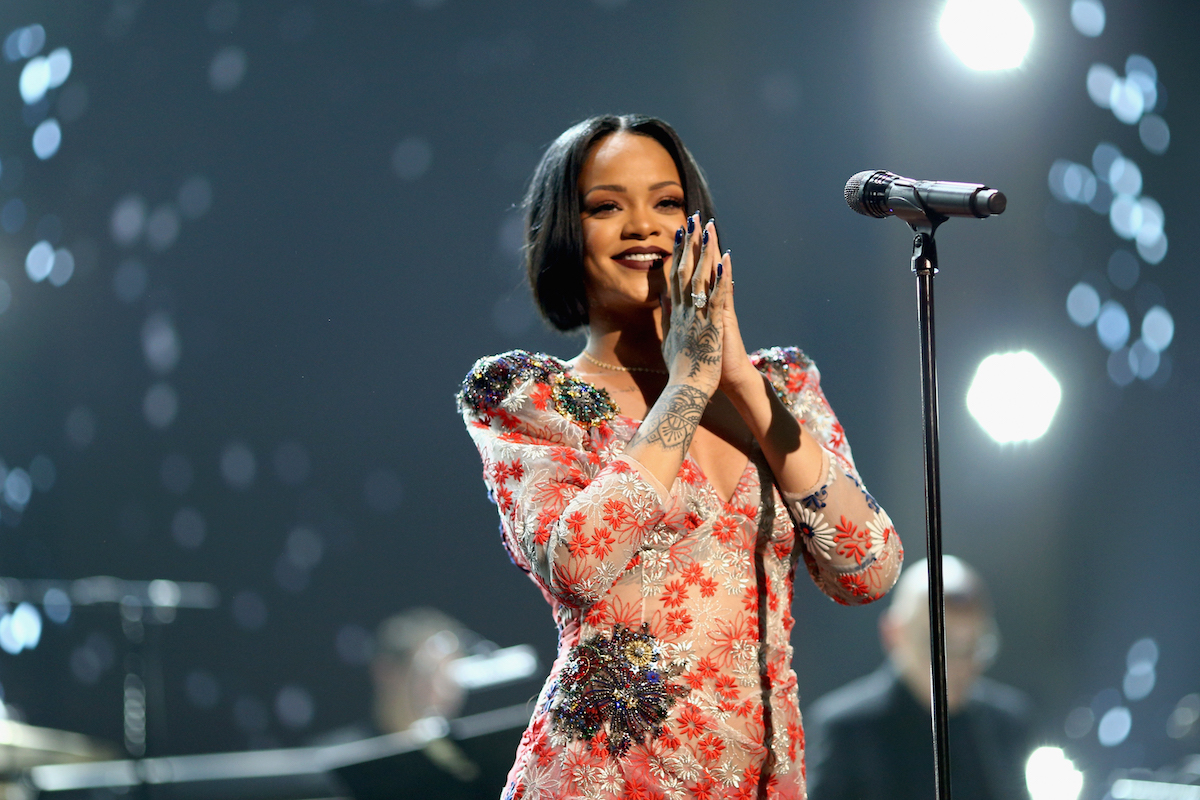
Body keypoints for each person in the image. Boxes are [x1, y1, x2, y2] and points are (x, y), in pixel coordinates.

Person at [459, 114, 903, 800]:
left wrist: (740, 385)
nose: (643, 225)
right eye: (607, 206)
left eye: (667, 203)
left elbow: (868, 567)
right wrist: (688, 385)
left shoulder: (780, 385)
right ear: (564, 236)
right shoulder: (532, 397)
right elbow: (578, 563)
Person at [803, 556, 1034, 800]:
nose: (957, 666)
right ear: (893, 634)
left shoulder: (1010, 724)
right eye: (938, 647)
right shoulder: (846, 732)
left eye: (973, 648)